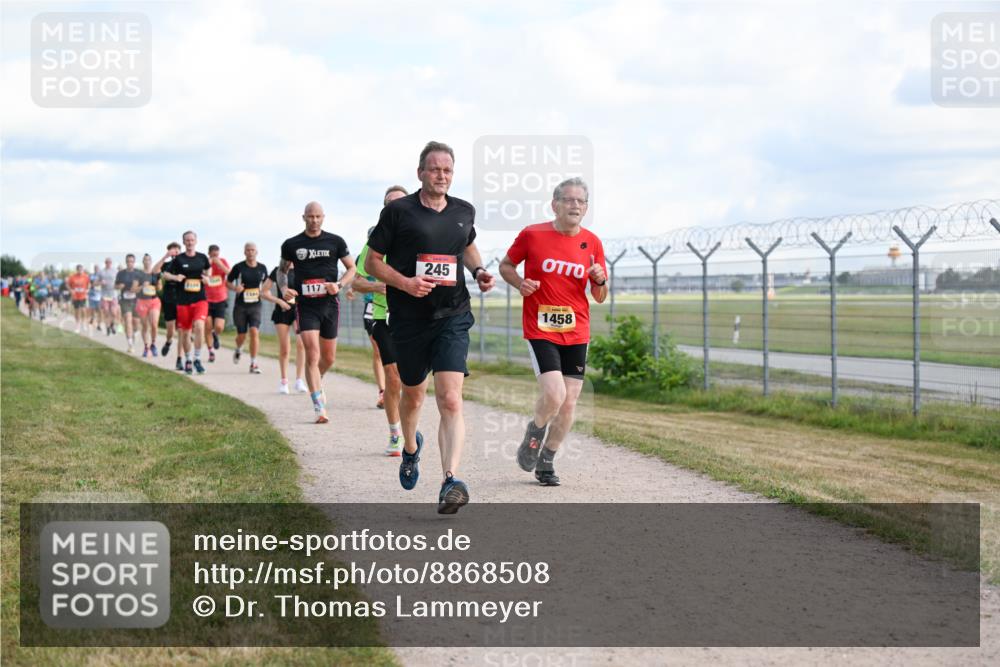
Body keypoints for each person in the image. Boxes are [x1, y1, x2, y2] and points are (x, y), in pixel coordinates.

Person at [365, 141, 495, 514]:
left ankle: (450, 480)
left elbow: (466, 245)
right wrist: (405, 283)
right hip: (408, 319)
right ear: (421, 172)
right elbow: (373, 263)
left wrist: (480, 271)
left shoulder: (463, 211)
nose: (442, 176)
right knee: (413, 396)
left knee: (450, 398)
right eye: (435, 169)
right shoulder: (397, 213)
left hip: (452, 315)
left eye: (448, 170)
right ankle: (410, 447)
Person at [498, 177, 607, 486]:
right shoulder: (532, 235)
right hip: (541, 327)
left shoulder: (593, 243)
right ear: (555, 204)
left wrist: (599, 280)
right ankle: (535, 429)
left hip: (577, 331)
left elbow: (600, 296)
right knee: (554, 394)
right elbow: (506, 265)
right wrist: (521, 283)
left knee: (569, 402)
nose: (575, 205)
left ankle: (546, 460)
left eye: (581, 201)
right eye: (569, 200)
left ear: (586, 208)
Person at [278, 202, 356, 422]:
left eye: (317, 216)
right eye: (310, 216)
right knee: (312, 353)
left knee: (328, 358)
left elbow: (352, 268)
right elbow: (282, 271)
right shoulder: (292, 244)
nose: (314, 220)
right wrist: (284, 288)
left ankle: (316, 380)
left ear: (324, 217)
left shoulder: (336, 241)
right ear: (303, 217)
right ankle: (318, 406)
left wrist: (339, 285)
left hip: (330, 304)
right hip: (306, 306)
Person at [354, 186, 408, 456]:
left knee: (415, 382)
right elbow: (357, 281)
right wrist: (379, 288)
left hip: (415, 317)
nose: (396, 209)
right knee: (394, 377)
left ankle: (410, 429)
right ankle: (395, 432)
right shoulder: (374, 243)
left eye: (401, 203)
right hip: (383, 316)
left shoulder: (420, 237)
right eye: (390, 204)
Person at [161, 231, 211, 374]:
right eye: (187, 240)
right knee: (185, 333)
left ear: (196, 241)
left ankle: (197, 358)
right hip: (183, 301)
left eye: (192, 240)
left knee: (200, 326)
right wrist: (175, 277)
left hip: (200, 299)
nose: (189, 243)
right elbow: (165, 274)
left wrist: (207, 279)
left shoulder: (202, 258)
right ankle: (188, 360)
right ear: (184, 242)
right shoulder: (179, 259)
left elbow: (208, 272)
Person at [262, 262, 307, 394]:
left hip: (299, 310)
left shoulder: (303, 268)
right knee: (285, 347)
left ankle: (299, 380)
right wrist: (280, 301)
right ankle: (284, 381)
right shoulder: (278, 270)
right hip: (282, 311)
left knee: (301, 344)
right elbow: (264, 292)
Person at [226, 242, 269, 374]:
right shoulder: (238, 267)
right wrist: (235, 288)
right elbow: (227, 282)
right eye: (248, 250)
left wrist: (267, 293)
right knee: (241, 335)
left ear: (257, 252)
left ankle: (253, 363)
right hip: (241, 306)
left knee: (254, 331)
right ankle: (239, 348)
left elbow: (266, 285)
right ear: (244, 252)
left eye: (253, 250)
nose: (250, 252)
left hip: (256, 305)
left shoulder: (262, 268)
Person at [153, 242, 183, 370]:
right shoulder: (166, 264)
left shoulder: (184, 263)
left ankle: (179, 359)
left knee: (182, 330)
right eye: (172, 249)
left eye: (176, 249)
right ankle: (169, 341)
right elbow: (154, 271)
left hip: (183, 299)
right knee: (171, 330)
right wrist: (165, 256)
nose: (174, 251)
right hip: (169, 299)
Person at [204, 245, 230, 363]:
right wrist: (209, 264)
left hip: (220, 298)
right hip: (206, 299)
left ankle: (216, 334)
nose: (215, 257)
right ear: (209, 253)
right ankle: (210, 352)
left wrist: (219, 264)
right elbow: (204, 274)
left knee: (219, 326)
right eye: (213, 255)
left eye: (216, 254)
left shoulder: (222, 261)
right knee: (208, 326)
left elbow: (229, 273)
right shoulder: (205, 262)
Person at [115, 253, 145, 354]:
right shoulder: (121, 273)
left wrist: (136, 289)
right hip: (125, 300)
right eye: (128, 261)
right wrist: (120, 286)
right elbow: (116, 286)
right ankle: (130, 345)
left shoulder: (139, 273)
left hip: (137, 300)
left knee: (136, 323)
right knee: (128, 320)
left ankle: (135, 333)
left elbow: (144, 286)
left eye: (131, 261)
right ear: (126, 262)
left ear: (134, 262)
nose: (129, 263)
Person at [135, 254, 162, 357]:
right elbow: (134, 289)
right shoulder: (139, 274)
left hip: (154, 301)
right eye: (145, 260)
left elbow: (160, 288)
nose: (147, 261)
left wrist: (158, 285)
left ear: (151, 261)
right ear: (143, 262)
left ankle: (153, 344)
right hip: (142, 301)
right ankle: (146, 347)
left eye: (149, 260)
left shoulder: (155, 273)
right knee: (145, 326)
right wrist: (142, 286)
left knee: (154, 324)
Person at [66, 265, 91, 333]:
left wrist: (88, 290)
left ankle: (84, 324)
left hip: (83, 296)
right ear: (77, 270)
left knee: (83, 310)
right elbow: (68, 284)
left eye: (81, 269)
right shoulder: (72, 277)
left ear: (82, 270)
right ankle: (77, 326)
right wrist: (70, 290)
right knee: (77, 311)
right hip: (75, 296)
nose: (80, 271)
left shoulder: (86, 276)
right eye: (79, 269)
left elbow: (89, 284)